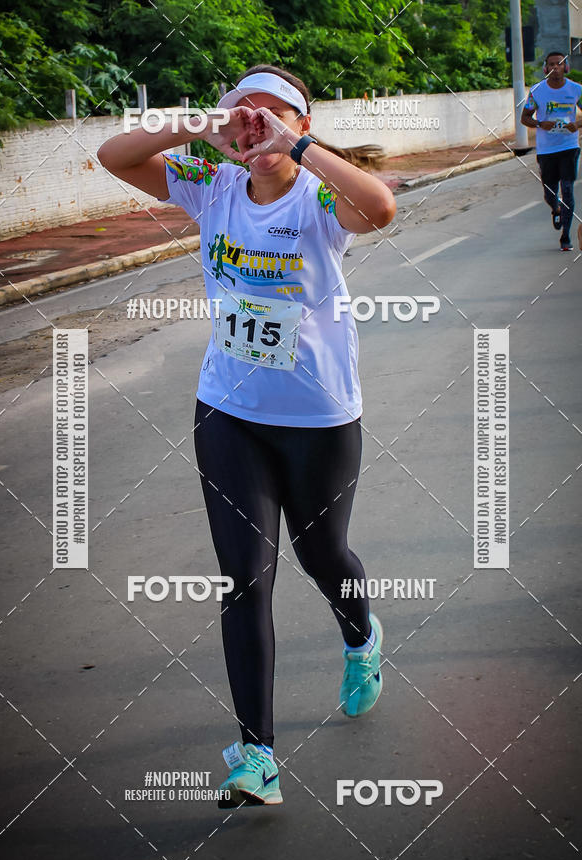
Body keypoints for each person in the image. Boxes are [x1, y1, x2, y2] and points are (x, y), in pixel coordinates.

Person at [97, 64, 396, 809]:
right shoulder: (212, 185)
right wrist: (200, 121)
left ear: (299, 121)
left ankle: (360, 636)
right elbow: (115, 157)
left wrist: (299, 148)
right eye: (243, 112)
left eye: (272, 112)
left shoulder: (320, 195)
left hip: (319, 416)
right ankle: (256, 756)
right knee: (245, 580)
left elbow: (380, 208)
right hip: (228, 412)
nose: (253, 122)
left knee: (322, 554)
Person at [521, 51, 582, 251]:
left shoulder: (576, 89)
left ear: (566, 67)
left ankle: (566, 237)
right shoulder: (537, 91)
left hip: (569, 146)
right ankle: (555, 208)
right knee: (550, 192)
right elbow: (525, 117)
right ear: (546, 69)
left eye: (560, 64)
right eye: (552, 64)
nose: (556, 67)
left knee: (567, 189)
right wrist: (540, 123)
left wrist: (577, 124)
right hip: (546, 149)